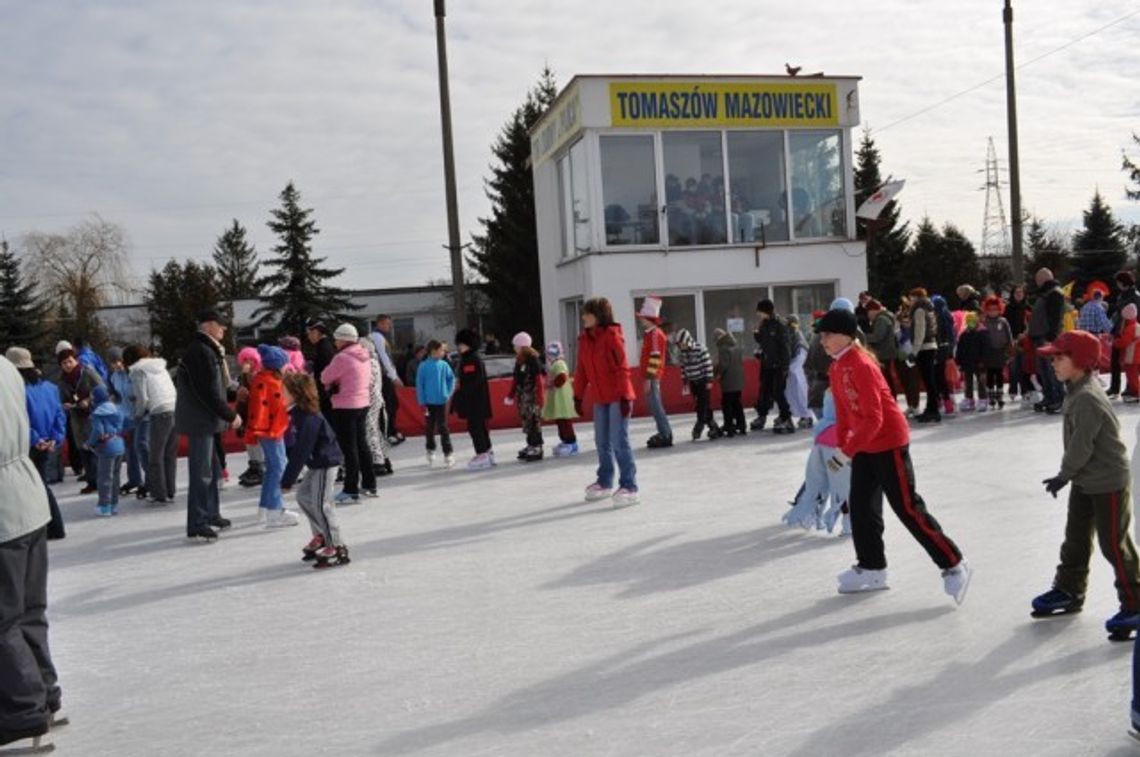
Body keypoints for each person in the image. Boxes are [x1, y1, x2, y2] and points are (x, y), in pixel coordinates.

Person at [817, 307, 970, 603]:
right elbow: (846, 413)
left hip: (888, 442)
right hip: (864, 445)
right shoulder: (837, 366)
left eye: (827, 334)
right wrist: (841, 445)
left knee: (907, 507)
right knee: (862, 508)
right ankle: (872, 568)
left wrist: (847, 451)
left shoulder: (861, 364)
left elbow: (874, 418)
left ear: (846, 336)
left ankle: (953, 563)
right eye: (821, 335)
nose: (823, 340)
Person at [1031, 330, 1140, 639]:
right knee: (1075, 538)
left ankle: (1135, 602)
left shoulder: (1086, 398)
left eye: (1059, 358)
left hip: (1107, 481)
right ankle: (1069, 590)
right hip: (1085, 479)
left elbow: (1082, 446)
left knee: (1114, 545)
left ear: (1079, 361)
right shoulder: (1075, 388)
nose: (1053, 363)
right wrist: (1071, 476)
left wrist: (1063, 475)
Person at [0, 355, 63, 754]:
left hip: (5, 512)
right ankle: (44, 693)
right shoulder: (5, 366)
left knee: (4, 618)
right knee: (28, 609)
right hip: (27, 499)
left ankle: (23, 710)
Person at [174, 308, 240, 541]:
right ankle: (197, 522)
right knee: (201, 473)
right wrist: (230, 415)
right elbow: (207, 392)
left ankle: (211, 513)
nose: (224, 329)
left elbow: (216, 388)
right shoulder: (201, 351)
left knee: (211, 471)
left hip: (208, 420)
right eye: (220, 324)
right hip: (200, 421)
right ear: (208, 325)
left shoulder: (209, 350)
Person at [280, 372, 350, 569]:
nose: (280, 395)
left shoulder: (308, 417)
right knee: (303, 496)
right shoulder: (297, 413)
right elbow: (295, 447)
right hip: (316, 463)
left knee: (321, 505)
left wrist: (288, 479)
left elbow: (301, 450)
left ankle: (337, 545)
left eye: (283, 391)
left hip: (325, 463)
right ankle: (321, 534)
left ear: (296, 393)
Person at [573, 297, 639, 506]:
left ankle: (629, 485)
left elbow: (622, 368)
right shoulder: (584, 339)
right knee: (602, 442)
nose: (583, 317)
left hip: (618, 396)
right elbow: (581, 369)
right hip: (600, 398)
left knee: (619, 441)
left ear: (599, 315)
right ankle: (604, 481)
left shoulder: (612, 336)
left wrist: (623, 397)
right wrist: (578, 395)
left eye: (588, 313)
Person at [7, 347, 66, 540]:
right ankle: (53, 527)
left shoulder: (17, 391)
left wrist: (35, 439)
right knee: (41, 484)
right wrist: (54, 439)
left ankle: (50, 527)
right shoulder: (50, 388)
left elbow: (19, 419)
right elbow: (59, 415)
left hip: (28, 444)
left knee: (34, 488)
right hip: (46, 443)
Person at [321, 324, 378, 504]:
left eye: (337, 339)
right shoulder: (364, 355)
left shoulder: (342, 358)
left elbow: (324, 377)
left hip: (345, 406)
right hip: (362, 403)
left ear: (344, 339)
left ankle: (351, 488)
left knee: (349, 448)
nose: (335, 342)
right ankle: (369, 484)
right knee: (362, 444)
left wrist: (331, 384)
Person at [782, 390, 851, 536]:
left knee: (818, 482)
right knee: (845, 487)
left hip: (823, 438)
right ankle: (849, 523)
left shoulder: (830, 389)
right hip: (843, 442)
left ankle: (806, 512)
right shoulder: (850, 389)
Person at [248, 345, 300, 527]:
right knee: (279, 466)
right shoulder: (270, 382)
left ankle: (265, 507)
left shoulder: (265, 379)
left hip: (268, 428)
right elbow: (278, 406)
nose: (287, 367)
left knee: (273, 467)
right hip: (270, 429)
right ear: (277, 365)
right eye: (285, 364)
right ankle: (275, 510)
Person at [124, 344, 178, 505]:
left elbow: (143, 399)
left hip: (159, 413)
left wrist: (137, 416)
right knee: (169, 454)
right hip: (174, 408)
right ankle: (170, 490)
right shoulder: (160, 367)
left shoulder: (137, 371)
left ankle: (158, 493)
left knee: (155, 456)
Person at [56, 347, 104, 494]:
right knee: (84, 451)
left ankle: (101, 480)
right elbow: (61, 398)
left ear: (75, 360)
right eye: (64, 363)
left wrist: (89, 400)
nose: (68, 365)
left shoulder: (87, 372)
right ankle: (91, 481)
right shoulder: (62, 380)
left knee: (95, 449)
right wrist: (64, 404)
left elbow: (102, 390)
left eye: (70, 361)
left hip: (92, 416)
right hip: (77, 419)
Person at [453, 329, 495, 470]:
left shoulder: (471, 360)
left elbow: (473, 381)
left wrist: (461, 392)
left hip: (475, 401)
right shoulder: (469, 358)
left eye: (462, 344)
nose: (459, 347)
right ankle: (487, 451)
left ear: (469, 344)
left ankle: (482, 453)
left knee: (475, 427)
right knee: (480, 426)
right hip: (476, 400)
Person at [751, 299, 794, 433]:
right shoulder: (764, 324)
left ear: (766, 311)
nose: (758, 314)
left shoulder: (780, 325)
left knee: (778, 392)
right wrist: (756, 336)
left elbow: (785, 347)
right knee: (764, 392)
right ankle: (761, 416)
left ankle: (786, 418)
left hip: (779, 365)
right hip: (767, 364)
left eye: (760, 312)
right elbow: (764, 342)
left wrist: (785, 367)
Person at [1029, 268, 1067, 413]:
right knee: (1043, 370)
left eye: (1038, 279)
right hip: (1040, 337)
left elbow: (1055, 318)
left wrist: (1050, 338)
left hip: (1048, 338)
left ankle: (1058, 398)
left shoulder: (1054, 293)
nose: (1036, 282)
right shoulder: (1046, 293)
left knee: (1052, 370)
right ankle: (1049, 396)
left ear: (1043, 279)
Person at [638, 296, 674, 448]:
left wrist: (648, 378)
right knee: (655, 405)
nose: (640, 320)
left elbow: (655, 357)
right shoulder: (652, 333)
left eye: (642, 318)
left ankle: (665, 433)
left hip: (652, 377)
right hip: (652, 376)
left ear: (648, 319)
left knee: (656, 405)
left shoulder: (654, 334)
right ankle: (663, 432)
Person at [674, 328, 721, 442]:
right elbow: (683, 368)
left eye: (683, 344)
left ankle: (699, 426)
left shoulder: (700, 349)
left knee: (702, 405)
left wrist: (709, 380)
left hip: (703, 381)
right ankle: (714, 427)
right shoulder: (683, 353)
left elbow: (708, 365)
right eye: (680, 345)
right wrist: (685, 381)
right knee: (704, 406)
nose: (682, 347)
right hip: (693, 382)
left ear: (688, 341)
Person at [106, 347, 142, 496]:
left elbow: (140, 390)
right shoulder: (114, 377)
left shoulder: (131, 374)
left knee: (139, 448)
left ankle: (146, 480)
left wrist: (136, 398)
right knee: (129, 450)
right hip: (123, 417)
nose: (118, 365)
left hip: (137, 415)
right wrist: (113, 398)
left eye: (120, 361)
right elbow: (114, 392)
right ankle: (134, 479)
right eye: (114, 362)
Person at [416, 339, 456, 468]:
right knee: (430, 427)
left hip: (442, 401)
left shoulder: (444, 365)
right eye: (441, 350)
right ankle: (430, 448)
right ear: (433, 351)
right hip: (428, 403)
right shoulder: (423, 366)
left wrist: (448, 392)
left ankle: (448, 453)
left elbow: (451, 379)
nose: (443, 352)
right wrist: (422, 401)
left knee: (443, 427)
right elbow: (419, 385)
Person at [505, 332, 545, 462]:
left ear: (522, 346)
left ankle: (537, 446)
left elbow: (539, 380)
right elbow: (516, 379)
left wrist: (540, 397)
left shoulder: (533, 360)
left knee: (533, 420)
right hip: (523, 396)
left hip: (532, 396)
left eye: (515, 345)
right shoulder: (519, 361)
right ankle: (530, 444)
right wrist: (511, 395)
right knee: (526, 421)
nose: (514, 348)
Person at [87, 385, 126, 517]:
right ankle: (114, 504)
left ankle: (104, 506)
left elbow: (98, 431)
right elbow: (120, 427)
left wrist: (89, 443)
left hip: (106, 448)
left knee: (104, 478)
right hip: (119, 446)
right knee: (115, 477)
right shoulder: (117, 410)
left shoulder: (97, 413)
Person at [358, 337, 394, 478]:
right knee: (376, 431)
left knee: (371, 430)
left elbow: (368, 383)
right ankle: (384, 459)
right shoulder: (374, 361)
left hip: (370, 401)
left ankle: (378, 462)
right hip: (376, 400)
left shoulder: (369, 363)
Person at [371, 314, 405, 446]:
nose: (389, 327)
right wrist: (394, 376)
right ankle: (388, 433)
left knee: (392, 404)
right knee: (388, 405)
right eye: (387, 324)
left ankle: (391, 430)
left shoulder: (380, 337)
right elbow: (384, 358)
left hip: (384, 375)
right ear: (379, 323)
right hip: (383, 376)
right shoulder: (377, 337)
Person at [234, 346, 265, 488]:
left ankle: (260, 468)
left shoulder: (259, 375)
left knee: (256, 441)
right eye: (245, 359)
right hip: (246, 411)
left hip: (257, 413)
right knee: (248, 440)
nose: (248, 362)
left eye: (250, 360)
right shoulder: (243, 377)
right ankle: (253, 465)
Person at [542, 342, 579, 457]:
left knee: (564, 420)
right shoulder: (556, 364)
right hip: (557, 397)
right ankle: (565, 440)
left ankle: (571, 443)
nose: (548, 357)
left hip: (561, 397)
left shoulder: (559, 364)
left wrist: (552, 383)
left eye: (549, 354)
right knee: (560, 420)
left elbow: (562, 377)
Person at [910, 289, 942, 423]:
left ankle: (933, 410)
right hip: (931, 346)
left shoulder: (919, 310)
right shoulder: (929, 308)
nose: (910, 300)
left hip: (924, 348)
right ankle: (931, 408)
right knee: (930, 381)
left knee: (929, 381)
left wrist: (914, 351)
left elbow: (920, 332)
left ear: (917, 297)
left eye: (911, 297)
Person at [981, 295, 1013, 410]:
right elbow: (980, 337)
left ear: (999, 309)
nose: (993, 312)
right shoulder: (984, 322)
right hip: (989, 352)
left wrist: (1010, 349)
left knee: (999, 374)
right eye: (990, 310)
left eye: (995, 309)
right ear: (986, 310)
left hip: (1001, 351)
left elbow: (1009, 335)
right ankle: (991, 395)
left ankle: (999, 395)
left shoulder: (1003, 321)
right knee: (990, 374)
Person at [1111, 272, 1140, 398]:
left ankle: (1132, 388)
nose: (1117, 285)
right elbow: (1118, 314)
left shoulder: (1135, 296)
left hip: (1129, 332)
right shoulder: (1121, 296)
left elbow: (1135, 315)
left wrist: (1134, 333)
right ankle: (1115, 387)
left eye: (1118, 282)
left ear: (1123, 282)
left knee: (1131, 362)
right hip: (1119, 330)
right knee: (1115, 361)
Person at [714, 328, 746, 437]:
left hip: (729, 381)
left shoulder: (723, 348)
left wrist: (716, 373)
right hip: (738, 380)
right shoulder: (735, 346)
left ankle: (729, 426)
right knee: (737, 403)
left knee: (726, 404)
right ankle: (742, 425)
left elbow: (723, 365)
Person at [785, 316, 814, 429]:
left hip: (799, 360)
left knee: (800, 389)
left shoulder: (794, 333)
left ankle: (807, 415)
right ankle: (803, 415)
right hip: (797, 361)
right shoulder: (796, 333)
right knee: (796, 390)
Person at [954, 313, 987, 413]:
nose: (971, 323)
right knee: (968, 382)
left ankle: (983, 399)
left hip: (979, 363)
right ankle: (969, 399)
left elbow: (985, 349)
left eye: (973, 321)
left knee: (981, 382)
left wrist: (983, 361)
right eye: (969, 321)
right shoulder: (964, 335)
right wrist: (958, 361)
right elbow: (960, 349)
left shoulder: (982, 333)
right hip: (967, 363)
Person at [305, 318, 337, 418]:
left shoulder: (323, 348)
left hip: (325, 393)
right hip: (326, 391)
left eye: (309, 333)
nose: (308, 336)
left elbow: (324, 372)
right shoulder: (324, 345)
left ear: (316, 332)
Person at [1006, 285, 1030, 400]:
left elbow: (1032, 324)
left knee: (1024, 366)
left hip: (1025, 340)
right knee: (1013, 366)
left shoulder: (1028, 307)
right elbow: (1006, 325)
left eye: (1021, 292)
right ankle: (1013, 389)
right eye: (1016, 292)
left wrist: (1025, 334)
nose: (1019, 294)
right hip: (1013, 340)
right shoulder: (1008, 308)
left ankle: (1025, 390)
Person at [1117, 304, 1140, 403]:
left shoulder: (1129, 328)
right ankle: (1135, 392)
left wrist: (1115, 342)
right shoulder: (1137, 325)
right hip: (1137, 354)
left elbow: (1124, 342)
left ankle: (1136, 393)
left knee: (1132, 376)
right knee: (1134, 375)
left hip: (1131, 355)